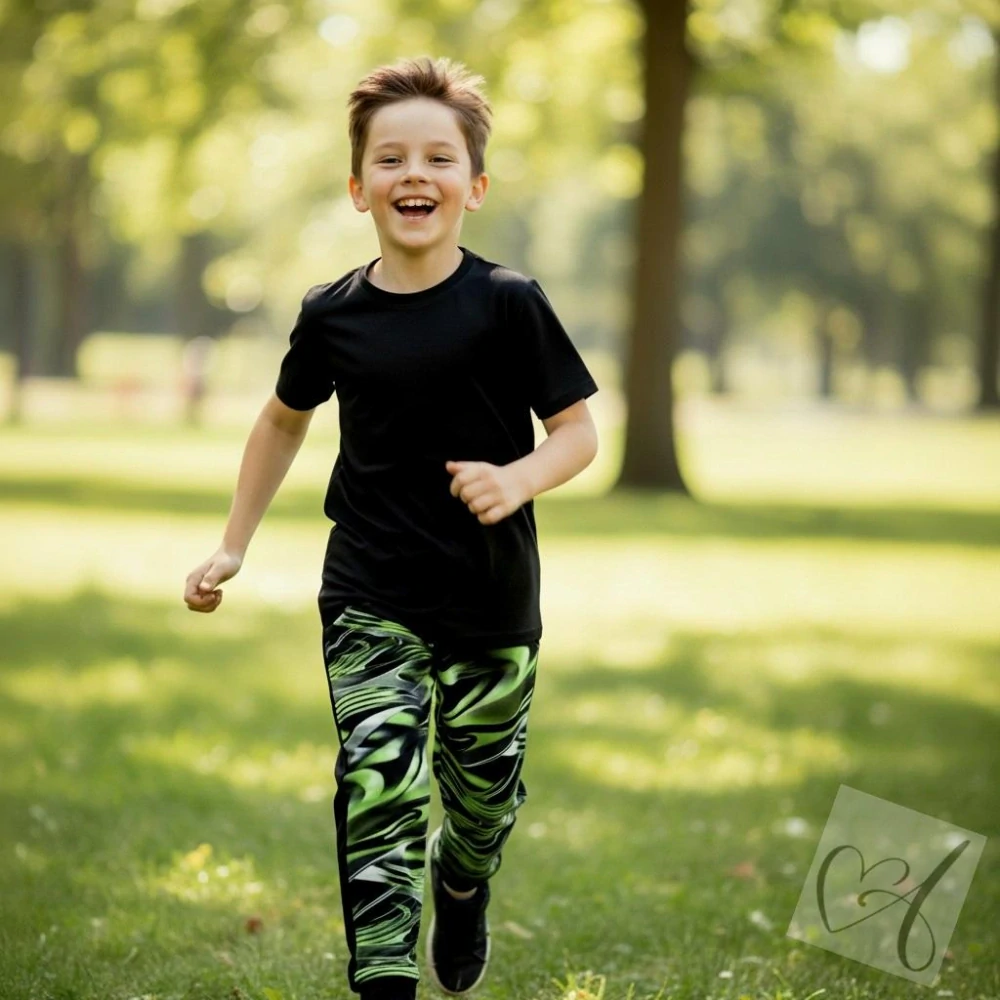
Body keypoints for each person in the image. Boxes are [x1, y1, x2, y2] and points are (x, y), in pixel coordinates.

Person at [183, 54, 599, 1000]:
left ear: (475, 186)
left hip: (492, 601)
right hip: (370, 593)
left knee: (482, 801)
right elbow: (282, 421)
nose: (416, 174)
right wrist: (233, 542)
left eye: (440, 159)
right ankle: (382, 981)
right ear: (359, 187)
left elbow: (576, 433)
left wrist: (518, 479)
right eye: (392, 159)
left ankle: (464, 881)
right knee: (381, 784)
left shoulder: (509, 303)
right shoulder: (332, 316)